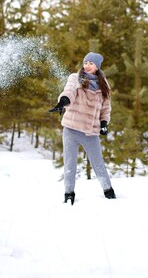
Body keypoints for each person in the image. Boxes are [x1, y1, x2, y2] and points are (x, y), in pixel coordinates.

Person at [49, 52, 116, 205]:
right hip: (71, 129)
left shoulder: (104, 84)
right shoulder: (76, 77)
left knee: (98, 163)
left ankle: (108, 191)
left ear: (97, 66)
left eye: (91, 63)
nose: (87, 66)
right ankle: (69, 194)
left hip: (91, 132)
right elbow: (69, 91)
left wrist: (104, 123)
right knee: (70, 163)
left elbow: (106, 108)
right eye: (85, 62)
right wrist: (63, 101)